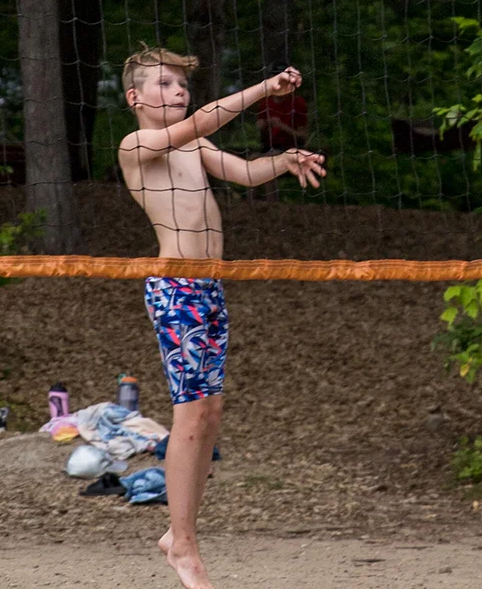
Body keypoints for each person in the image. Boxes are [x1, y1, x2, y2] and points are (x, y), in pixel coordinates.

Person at [118, 45, 325, 589]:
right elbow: (204, 120)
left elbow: (246, 173)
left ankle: (179, 534)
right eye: (165, 84)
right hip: (175, 289)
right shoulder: (139, 144)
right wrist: (263, 90)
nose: (179, 92)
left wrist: (284, 162)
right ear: (135, 97)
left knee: (208, 418)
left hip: (208, 287)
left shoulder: (196, 145)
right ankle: (182, 545)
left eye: (182, 85)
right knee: (190, 416)